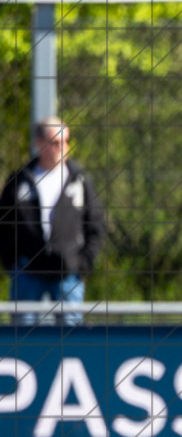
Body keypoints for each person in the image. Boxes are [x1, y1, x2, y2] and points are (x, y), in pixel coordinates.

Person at [0, 117, 105, 325]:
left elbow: (96, 224)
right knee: (23, 337)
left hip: (68, 274)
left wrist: (83, 263)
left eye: (65, 142)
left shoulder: (79, 180)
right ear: (39, 143)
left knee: (71, 338)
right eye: (55, 142)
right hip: (27, 273)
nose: (62, 148)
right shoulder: (20, 181)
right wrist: (12, 263)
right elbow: (4, 226)